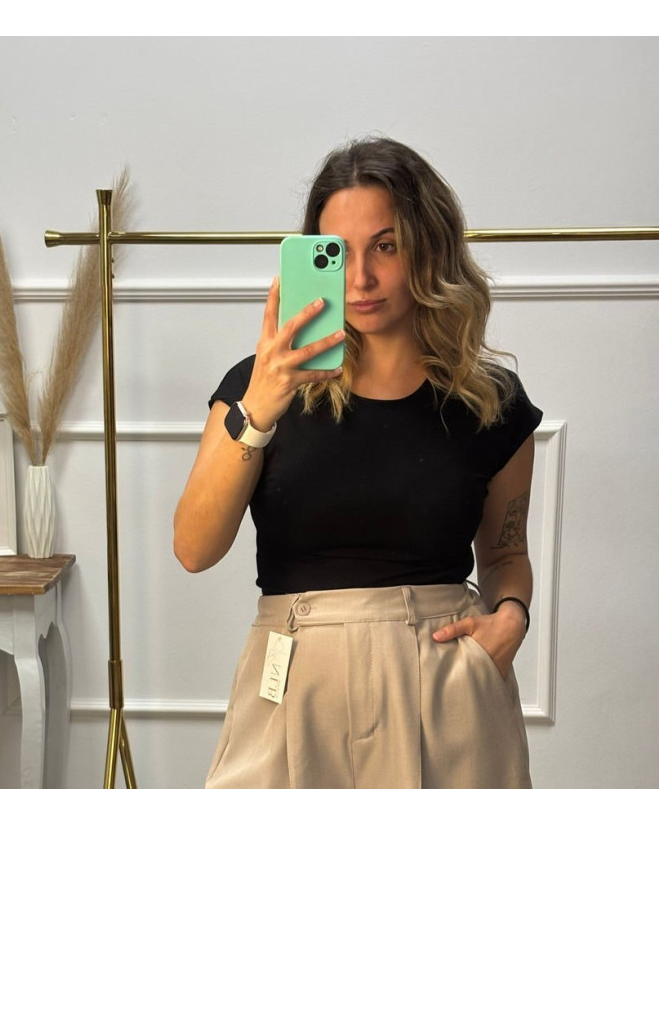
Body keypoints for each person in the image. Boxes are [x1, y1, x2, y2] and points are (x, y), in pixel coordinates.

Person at [173, 137, 543, 788]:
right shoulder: (257, 387)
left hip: (447, 685)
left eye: (387, 246)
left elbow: (506, 555)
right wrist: (259, 409)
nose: (361, 279)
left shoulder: (491, 403)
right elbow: (194, 549)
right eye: (338, 253)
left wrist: (511, 615)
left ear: (429, 248)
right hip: (296, 683)